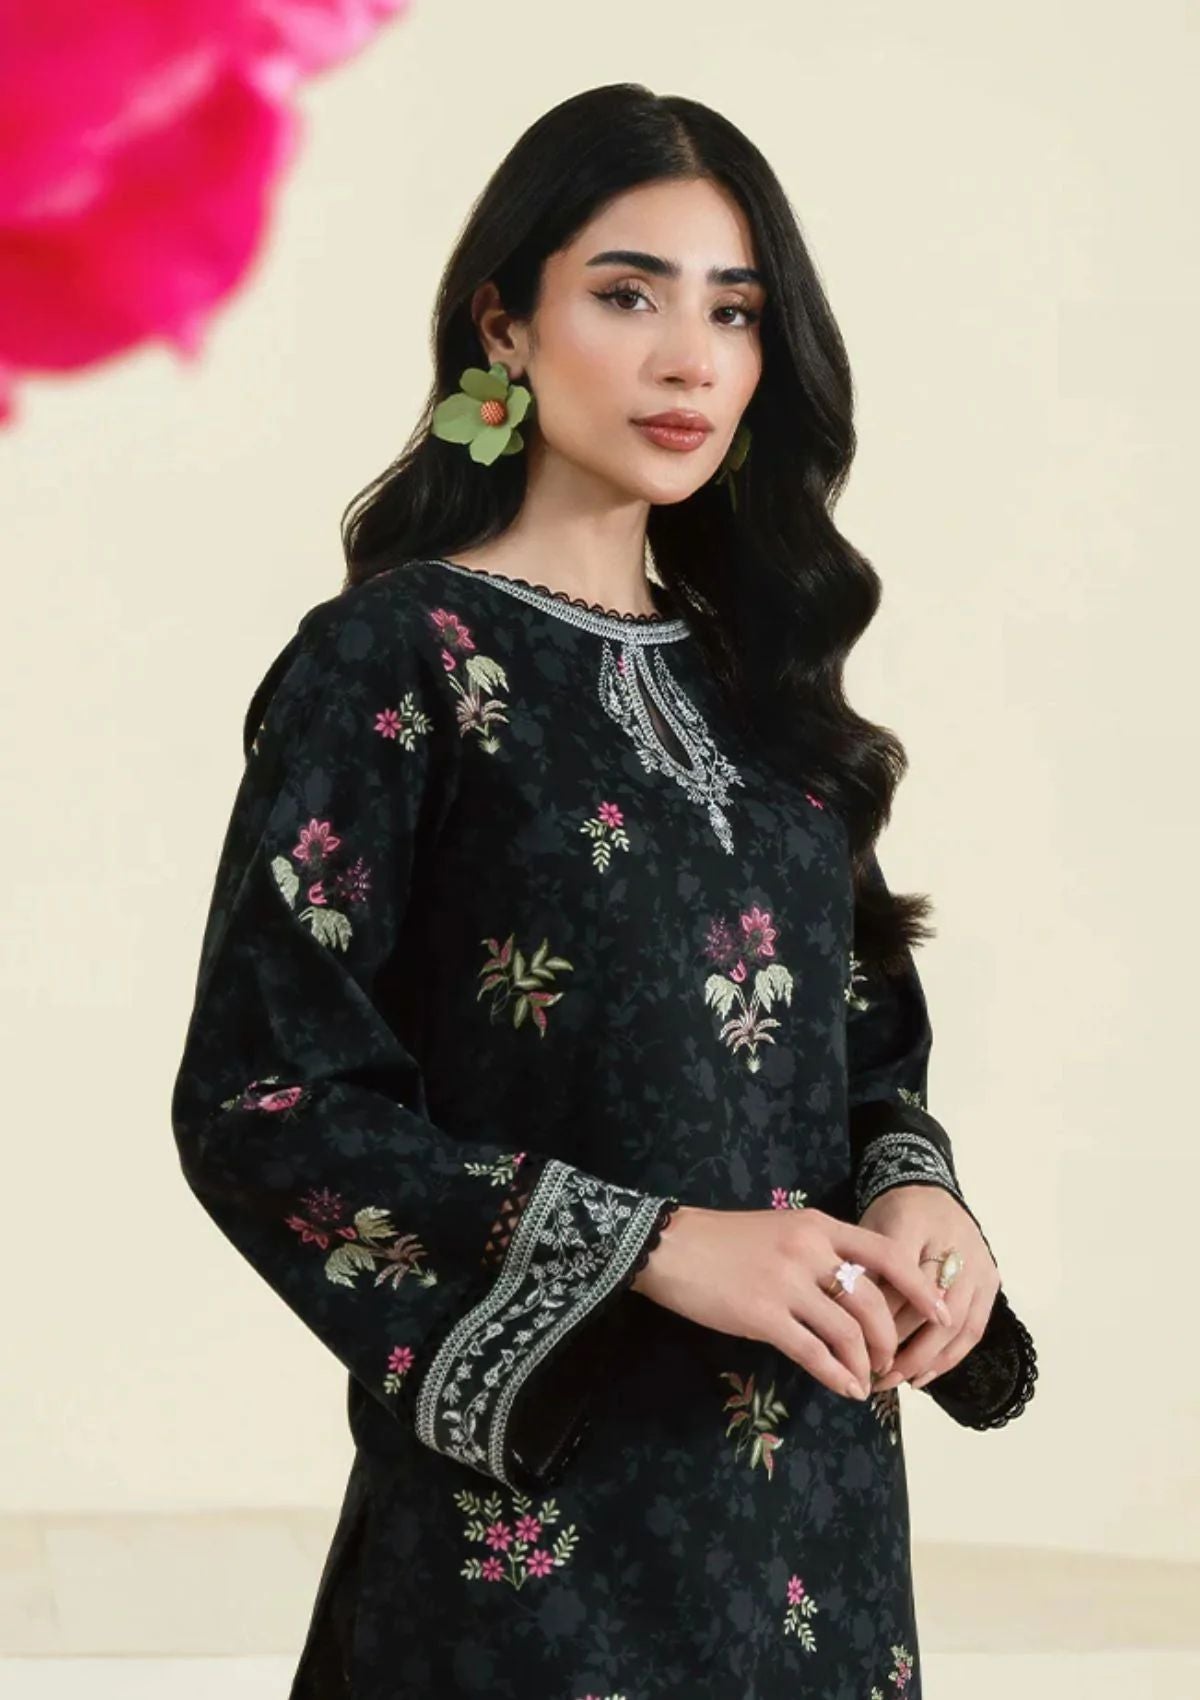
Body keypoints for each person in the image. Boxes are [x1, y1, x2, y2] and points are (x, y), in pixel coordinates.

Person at [170, 82, 1038, 1700]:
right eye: (629, 295)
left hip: (816, 1530)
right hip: (532, 1549)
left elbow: (860, 1049)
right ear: (505, 324)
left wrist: (920, 1197)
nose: (689, 358)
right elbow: (263, 1099)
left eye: (735, 311)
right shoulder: (398, 658)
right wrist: (650, 1243)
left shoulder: (763, 687)